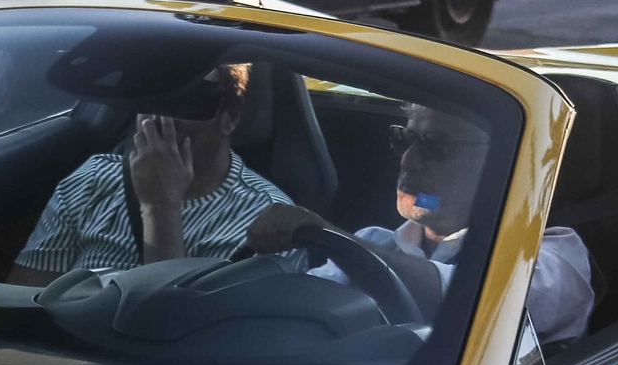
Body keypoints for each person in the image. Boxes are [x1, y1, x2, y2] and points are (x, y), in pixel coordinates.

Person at [245, 103, 598, 344]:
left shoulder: (552, 257)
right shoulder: (376, 241)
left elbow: (467, 300)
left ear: (505, 163)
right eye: (406, 139)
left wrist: (324, 232)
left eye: (437, 147)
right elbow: (290, 309)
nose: (408, 161)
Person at [8, 64, 283, 287]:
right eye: (152, 97)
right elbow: (23, 304)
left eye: (188, 99)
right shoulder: (92, 180)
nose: (162, 117)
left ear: (230, 119)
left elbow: (169, 332)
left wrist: (160, 207)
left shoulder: (266, 227)